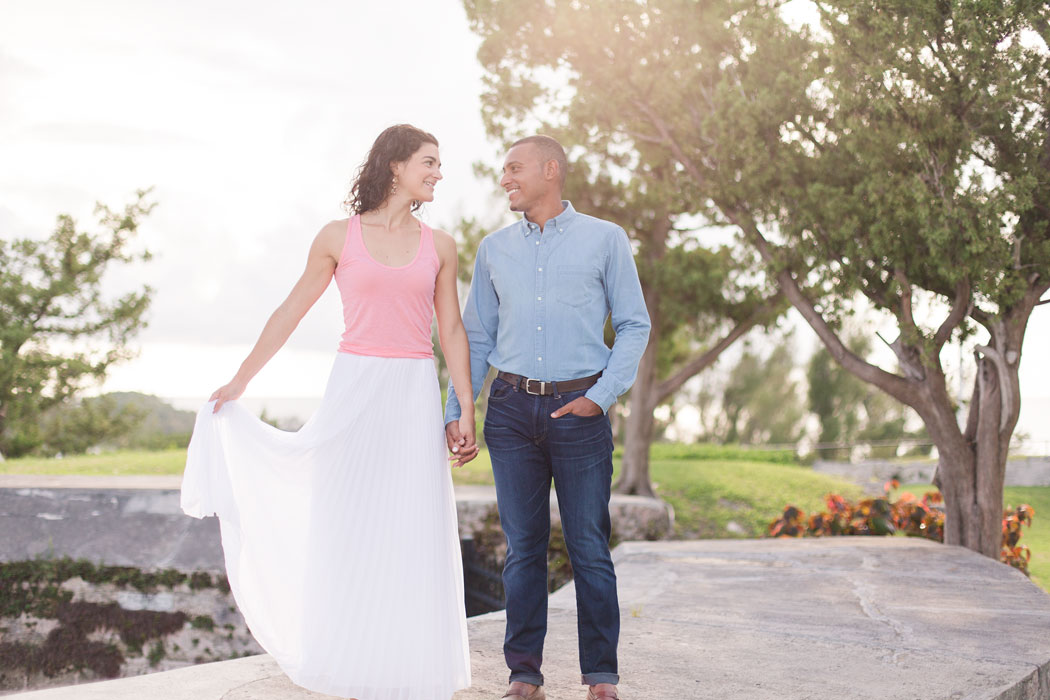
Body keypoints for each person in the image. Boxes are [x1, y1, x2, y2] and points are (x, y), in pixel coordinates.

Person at [181, 124, 474, 700]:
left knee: (410, 524)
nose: (439, 173)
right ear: (395, 166)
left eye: (439, 165)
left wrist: (464, 406)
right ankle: (345, 655)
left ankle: (406, 662)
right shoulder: (338, 237)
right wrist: (242, 379)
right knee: (347, 520)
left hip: (413, 389)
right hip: (354, 387)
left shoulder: (440, 245)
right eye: (429, 162)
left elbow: (452, 329)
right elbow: (291, 309)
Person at [444, 135, 651, 700]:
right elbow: (477, 336)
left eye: (515, 168)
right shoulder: (493, 249)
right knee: (523, 548)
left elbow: (635, 323)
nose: (505, 178)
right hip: (510, 411)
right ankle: (524, 675)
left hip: (579, 409)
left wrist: (602, 396)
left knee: (588, 544)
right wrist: (457, 409)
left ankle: (601, 678)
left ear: (550, 170)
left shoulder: (606, 240)